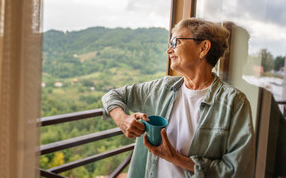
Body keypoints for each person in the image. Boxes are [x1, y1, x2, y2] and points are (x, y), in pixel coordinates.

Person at [102, 18, 255, 178]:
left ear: (203, 48)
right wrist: (122, 120)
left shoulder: (234, 103)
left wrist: (175, 158)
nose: (169, 50)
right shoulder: (161, 88)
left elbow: (237, 170)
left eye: (176, 42)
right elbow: (112, 95)